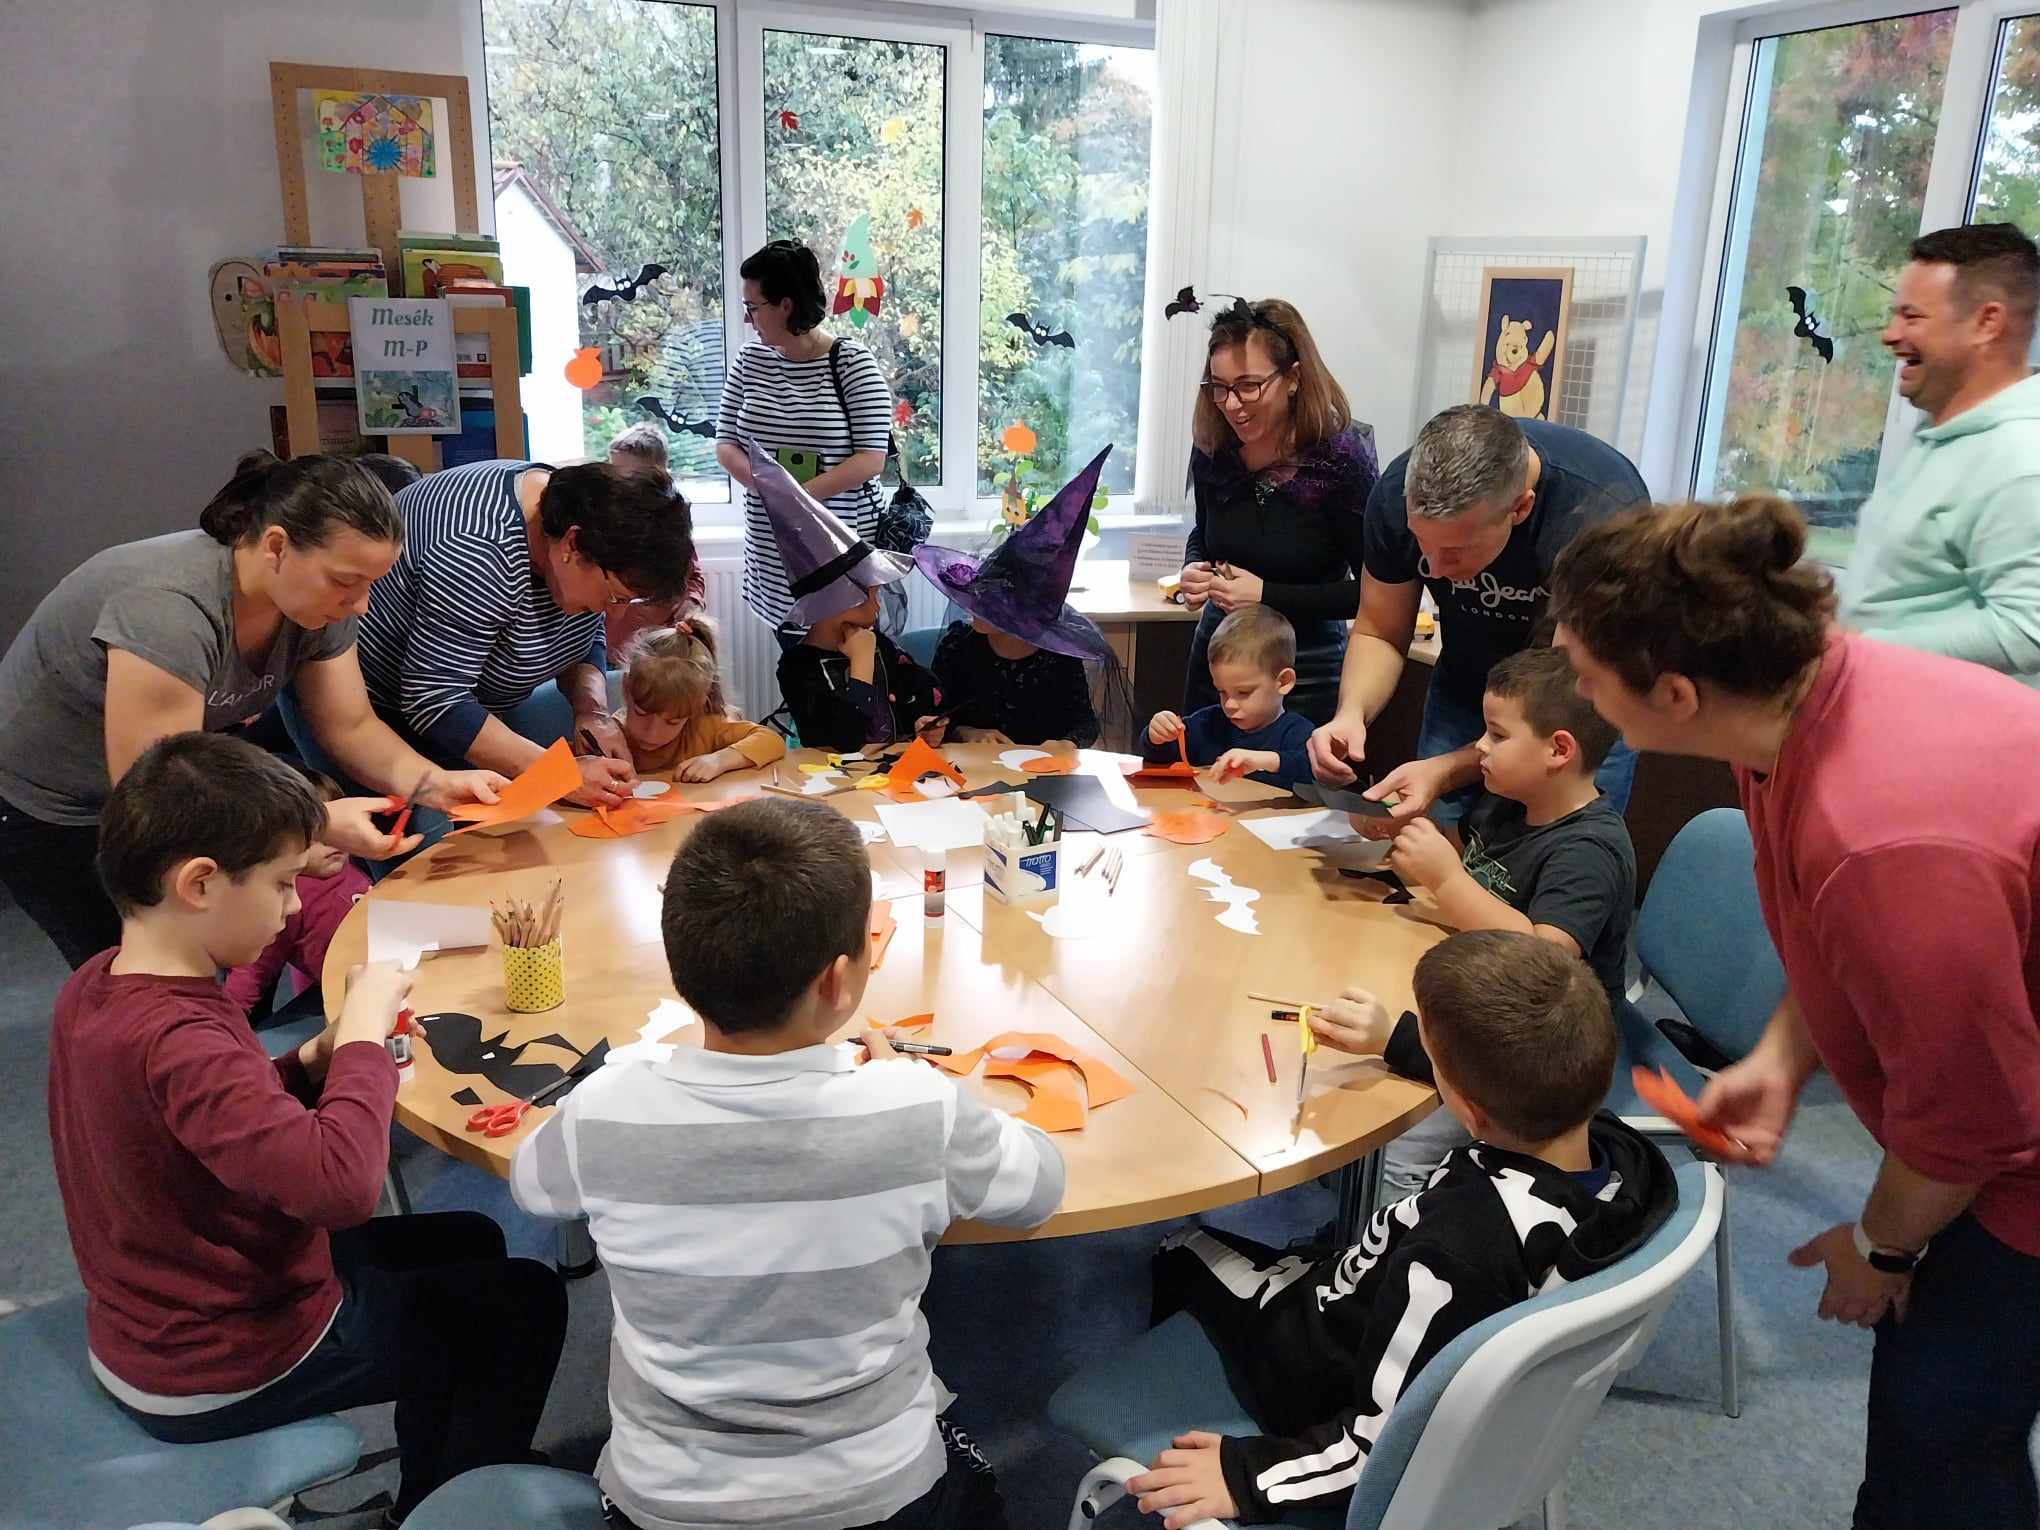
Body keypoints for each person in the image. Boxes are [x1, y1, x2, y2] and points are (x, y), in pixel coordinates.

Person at [1548, 495, 2040, 1529]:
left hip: (2011, 1163)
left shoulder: (1886, 837)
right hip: (1988, 1098)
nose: (1572, 683)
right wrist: (1783, 1053)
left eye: (1586, 674)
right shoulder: (1790, 701)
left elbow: (1973, 1124)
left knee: (1940, 1449)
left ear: (1675, 694)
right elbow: (1826, 927)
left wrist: (1881, 1248)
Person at [46, 733, 567, 1524]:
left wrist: (312, 1060)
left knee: (468, 1238)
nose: (294, 906)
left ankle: (445, 1465)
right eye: (283, 883)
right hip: (220, 1358)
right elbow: (341, 1188)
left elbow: (208, 1122)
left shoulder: (101, 984)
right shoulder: (183, 1038)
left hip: (165, 1308)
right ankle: (446, 1505)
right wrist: (360, 1035)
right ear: (199, 883)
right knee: (524, 1302)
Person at [510, 797, 1065, 1530]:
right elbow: (1040, 1188)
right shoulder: (916, 1107)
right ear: (839, 982)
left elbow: (532, 1185)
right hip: (878, 1495)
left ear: (681, 964)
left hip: (666, 1502)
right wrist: (922, 1085)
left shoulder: (604, 1108)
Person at [1126, 931, 1674, 1528]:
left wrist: (1247, 1476)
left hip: (1314, 1359)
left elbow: (1383, 1445)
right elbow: (1497, 1085)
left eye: (1436, 1065)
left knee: (1180, 1246)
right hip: (1399, 1309)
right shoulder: (1618, 1158)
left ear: (1470, 1110)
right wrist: (1400, 1044)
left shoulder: (1457, 1250)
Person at [0, 451, 503, 969]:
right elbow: (158, 795)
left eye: (370, 584)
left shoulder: (316, 607)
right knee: (151, 970)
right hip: (56, 807)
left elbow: (350, 725)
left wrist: (433, 783)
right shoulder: (169, 608)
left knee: (209, 952)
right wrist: (314, 824)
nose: (360, 605)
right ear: (277, 546)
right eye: (345, 581)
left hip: (164, 789)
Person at [1352, 646, 1634, 1197]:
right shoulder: (1509, 800)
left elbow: (1544, 962)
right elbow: (1465, 860)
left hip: (1541, 1051)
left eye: (1497, 735)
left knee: (1396, 1148)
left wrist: (1446, 879)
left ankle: (1393, 1237)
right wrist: (1399, 831)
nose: (1479, 746)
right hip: (1482, 1001)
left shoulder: (1589, 852)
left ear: (1559, 749)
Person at [1307, 405, 1649, 823]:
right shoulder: (1395, 495)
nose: (1433, 568)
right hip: (1468, 682)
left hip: (1584, 700)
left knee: (1557, 844)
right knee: (1437, 836)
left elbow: (1563, 695)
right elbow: (1380, 629)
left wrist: (1446, 770)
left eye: (1455, 550)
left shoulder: (1602, 517)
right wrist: (1351, 714)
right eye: (1422, 541)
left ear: (1520, 509)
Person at [355, 457, 695, 811]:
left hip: (465, 718)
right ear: (572, 544)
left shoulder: (587, 529)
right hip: (381, 727)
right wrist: (559, 774)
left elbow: (581, 640)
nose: (614, 612)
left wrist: (591, 712)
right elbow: (436, 699)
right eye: (614, 596)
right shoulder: (478, 550)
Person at [1839, 223, 2040, 686]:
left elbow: (2028, 628)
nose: (1890, 335)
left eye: (1912, 317)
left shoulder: (2020, 461)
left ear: (1987, 323)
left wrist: (1857, 652)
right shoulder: (1941, 434)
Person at [1178, 298, 1377, 725]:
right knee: (1197, 765)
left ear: (1293, 378)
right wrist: (1194, 566)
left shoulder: (1339, 460)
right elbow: (1205, 533)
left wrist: (1267, 595)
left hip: (1304, 664)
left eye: (1249, 385)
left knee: (1293, 769)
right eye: (1219, 387)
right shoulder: (1214, 446)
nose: (1231, 404)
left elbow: (1372, 595)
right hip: (1221, 655)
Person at [715, 240, 894, 628]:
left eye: (753, 307)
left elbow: (871, 459)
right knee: (793, 657)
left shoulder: (851, 363)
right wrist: (772, 491)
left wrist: (799, 497)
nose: (747, 318)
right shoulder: (749, 360)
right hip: (771, 553)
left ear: (785, 305)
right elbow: (725, 443)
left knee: (846, 657)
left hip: (838, 553)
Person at [916, 445, 1115, 750]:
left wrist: (1067, 744)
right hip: (972, 771)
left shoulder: (1057, 658)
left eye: (991, 603)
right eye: (979, 595)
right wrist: (968, 733)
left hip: (1039, 772)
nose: (976, 605)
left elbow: (1084, 723)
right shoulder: (959, 647)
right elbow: (938, 718)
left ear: (1021, 611)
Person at [759, 442, 941, 750]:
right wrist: (861, 662)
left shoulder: (879, 644)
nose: (877, 608)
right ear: (835, 601)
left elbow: (928, 692)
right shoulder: (797, 668)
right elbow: (846, 740)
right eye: (869, 597)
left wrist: (921, 722)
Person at [222, 765, 369, 1017]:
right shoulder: (284, 897)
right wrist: (227, 1020)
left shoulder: (342, 863)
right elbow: (252, 971)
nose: (333, 842)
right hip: (349, 997)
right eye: (317, 835)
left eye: (338, 830)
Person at [1144, 605, 1313, 790]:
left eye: (1243, 692)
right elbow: (1161, 757)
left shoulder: (1298, 734)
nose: (1230, 704)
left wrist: (1266, 761)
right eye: (1222, 691)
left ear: (1283, 682)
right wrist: (1157, 736)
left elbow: (1314, 772)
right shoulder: (1208, 724)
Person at [611, 617, 786, 780]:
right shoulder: (610, 736)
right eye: (642, 713)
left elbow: (772, 741)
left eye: (672, 722)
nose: (652, 733)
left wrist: (720, 760)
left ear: (698, 704)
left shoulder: (704, 728)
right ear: (626, 687)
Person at [604, 422, 709, 665]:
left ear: (659, 476)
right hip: (614, 646)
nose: (618, 482)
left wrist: (692, 601)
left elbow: (693, 575)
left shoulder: (671, 520)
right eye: (613, 472)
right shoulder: (605, 520)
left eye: (629, 476)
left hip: (659, 645)